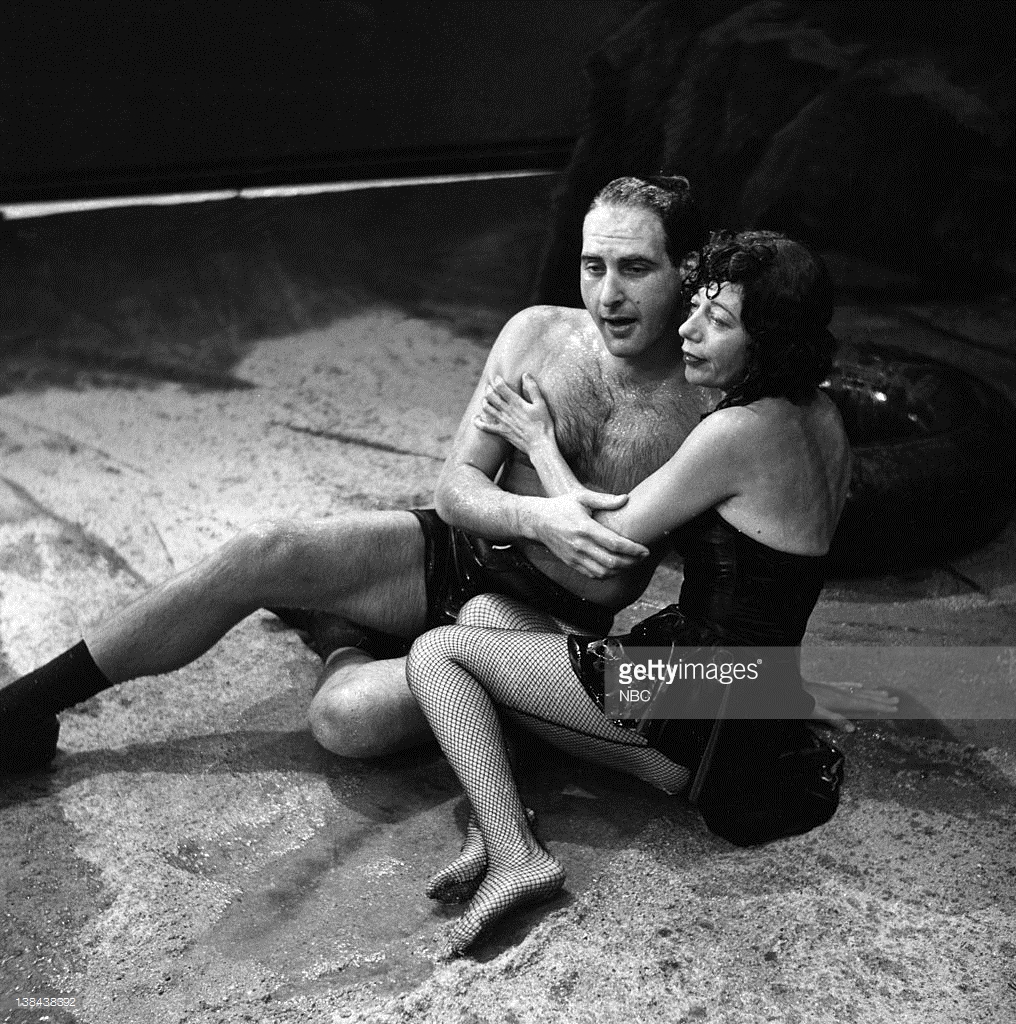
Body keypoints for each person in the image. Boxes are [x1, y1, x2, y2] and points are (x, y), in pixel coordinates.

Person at [0, 175, 712, 774]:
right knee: (262, 551)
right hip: (454, 554)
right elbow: (456, 491)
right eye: (593, 267)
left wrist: (543, 463)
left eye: (634, 269)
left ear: (686, 271)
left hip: (543, 627)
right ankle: (26, 703)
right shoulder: (537, 334)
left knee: (344, 721)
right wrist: (534, 515)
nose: (607, 295)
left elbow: (607, 577)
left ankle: (340, 634)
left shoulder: (709, 404)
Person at [405, 230, 856, 956]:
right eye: (696, 306)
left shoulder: (738, 431)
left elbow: (604, 542)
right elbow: (778, 586)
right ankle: (496, 818)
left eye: (718, 320)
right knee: (488, 614)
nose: (687, 329)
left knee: (438, 655)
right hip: (755, 686)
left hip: (699, 696)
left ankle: (515, 853)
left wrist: (540, 444)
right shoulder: (822, 415)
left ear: (769, 340)